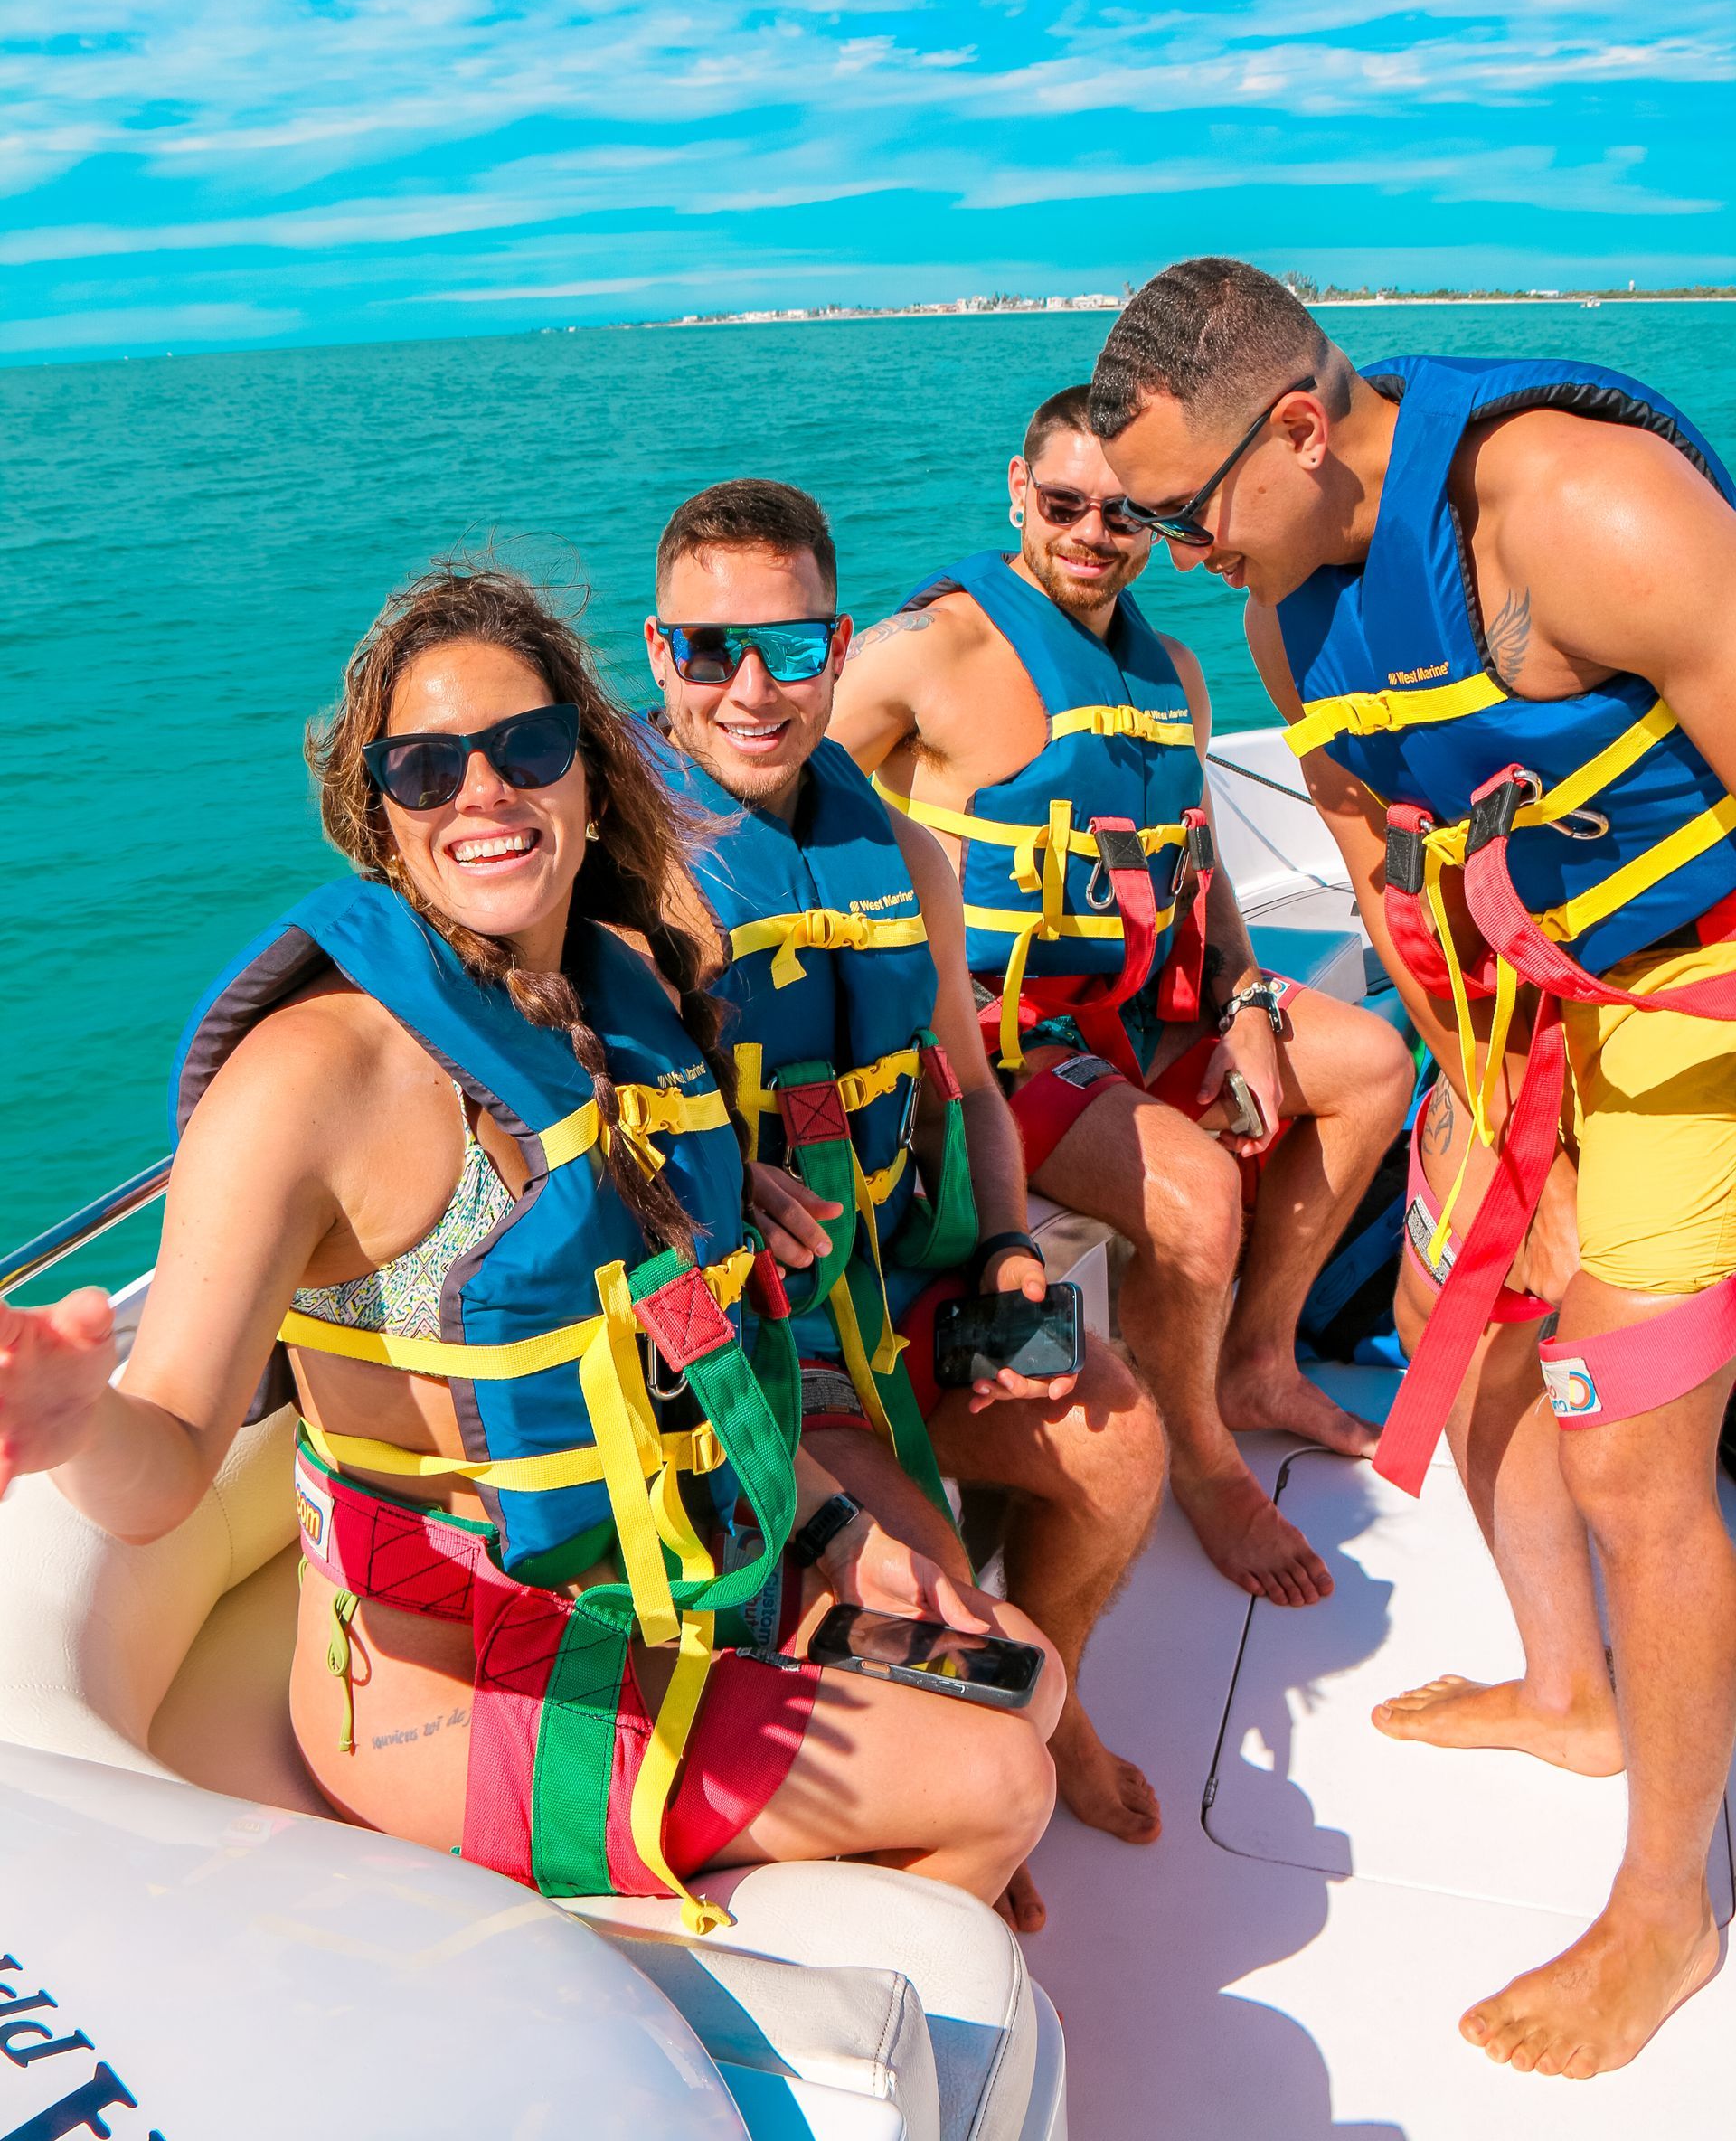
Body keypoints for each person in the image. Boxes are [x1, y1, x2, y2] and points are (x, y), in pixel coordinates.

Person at [0, 561, 1061, 1930]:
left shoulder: (617, 1015)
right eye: (425, 769)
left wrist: (837, 1529)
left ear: (590, 778)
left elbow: (674, 1351)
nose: (483, 795)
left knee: (1027, 1674)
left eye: (527, 748)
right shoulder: (313, 1079)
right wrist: (74, 1418)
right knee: (996, 1781)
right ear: (375, 817)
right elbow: (160, 1472)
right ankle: (730, 1983)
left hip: (680, 1602)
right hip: (459, 1697)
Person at [1088, 253, 1736, 2079]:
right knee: (1468, 1331)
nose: (1174, 556)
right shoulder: (1296, 589)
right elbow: (1378, 846)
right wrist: (1470, 1068)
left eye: (1182, 511)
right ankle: (1567, 1694)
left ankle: (1670, 1911)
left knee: (1630, 1461)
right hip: (1514, 1015)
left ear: (1301, 427)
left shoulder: (1587, 513)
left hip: (1697, 1005)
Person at [643, 483, 1167, 1912]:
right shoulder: (618, 877)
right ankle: (986, 1775)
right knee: (969, 1663)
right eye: (708, 652)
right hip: (757, 1356)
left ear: (837, 647)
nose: (751, 690)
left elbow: (976, 1094)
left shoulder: (906, 856)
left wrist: (1002, 1242)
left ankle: (1065, 1719)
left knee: (1122, 1443)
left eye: (792, 648)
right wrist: (712, 1178)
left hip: (887, 1289)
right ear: (656, 656)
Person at [832, 387, 1412, 1609]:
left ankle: (1256, 1362)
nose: (1094, 534)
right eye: (1063, 506)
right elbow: (756, 777)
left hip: (1148, 1008)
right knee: (1197, 1196)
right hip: (994, 1048)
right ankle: (1202, 1461)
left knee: (1371, 1069)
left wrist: (1250, 997)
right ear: (1015, 493)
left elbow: (1198, 869)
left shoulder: (1178, 674)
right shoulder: (927, 655)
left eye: (1125, 513)